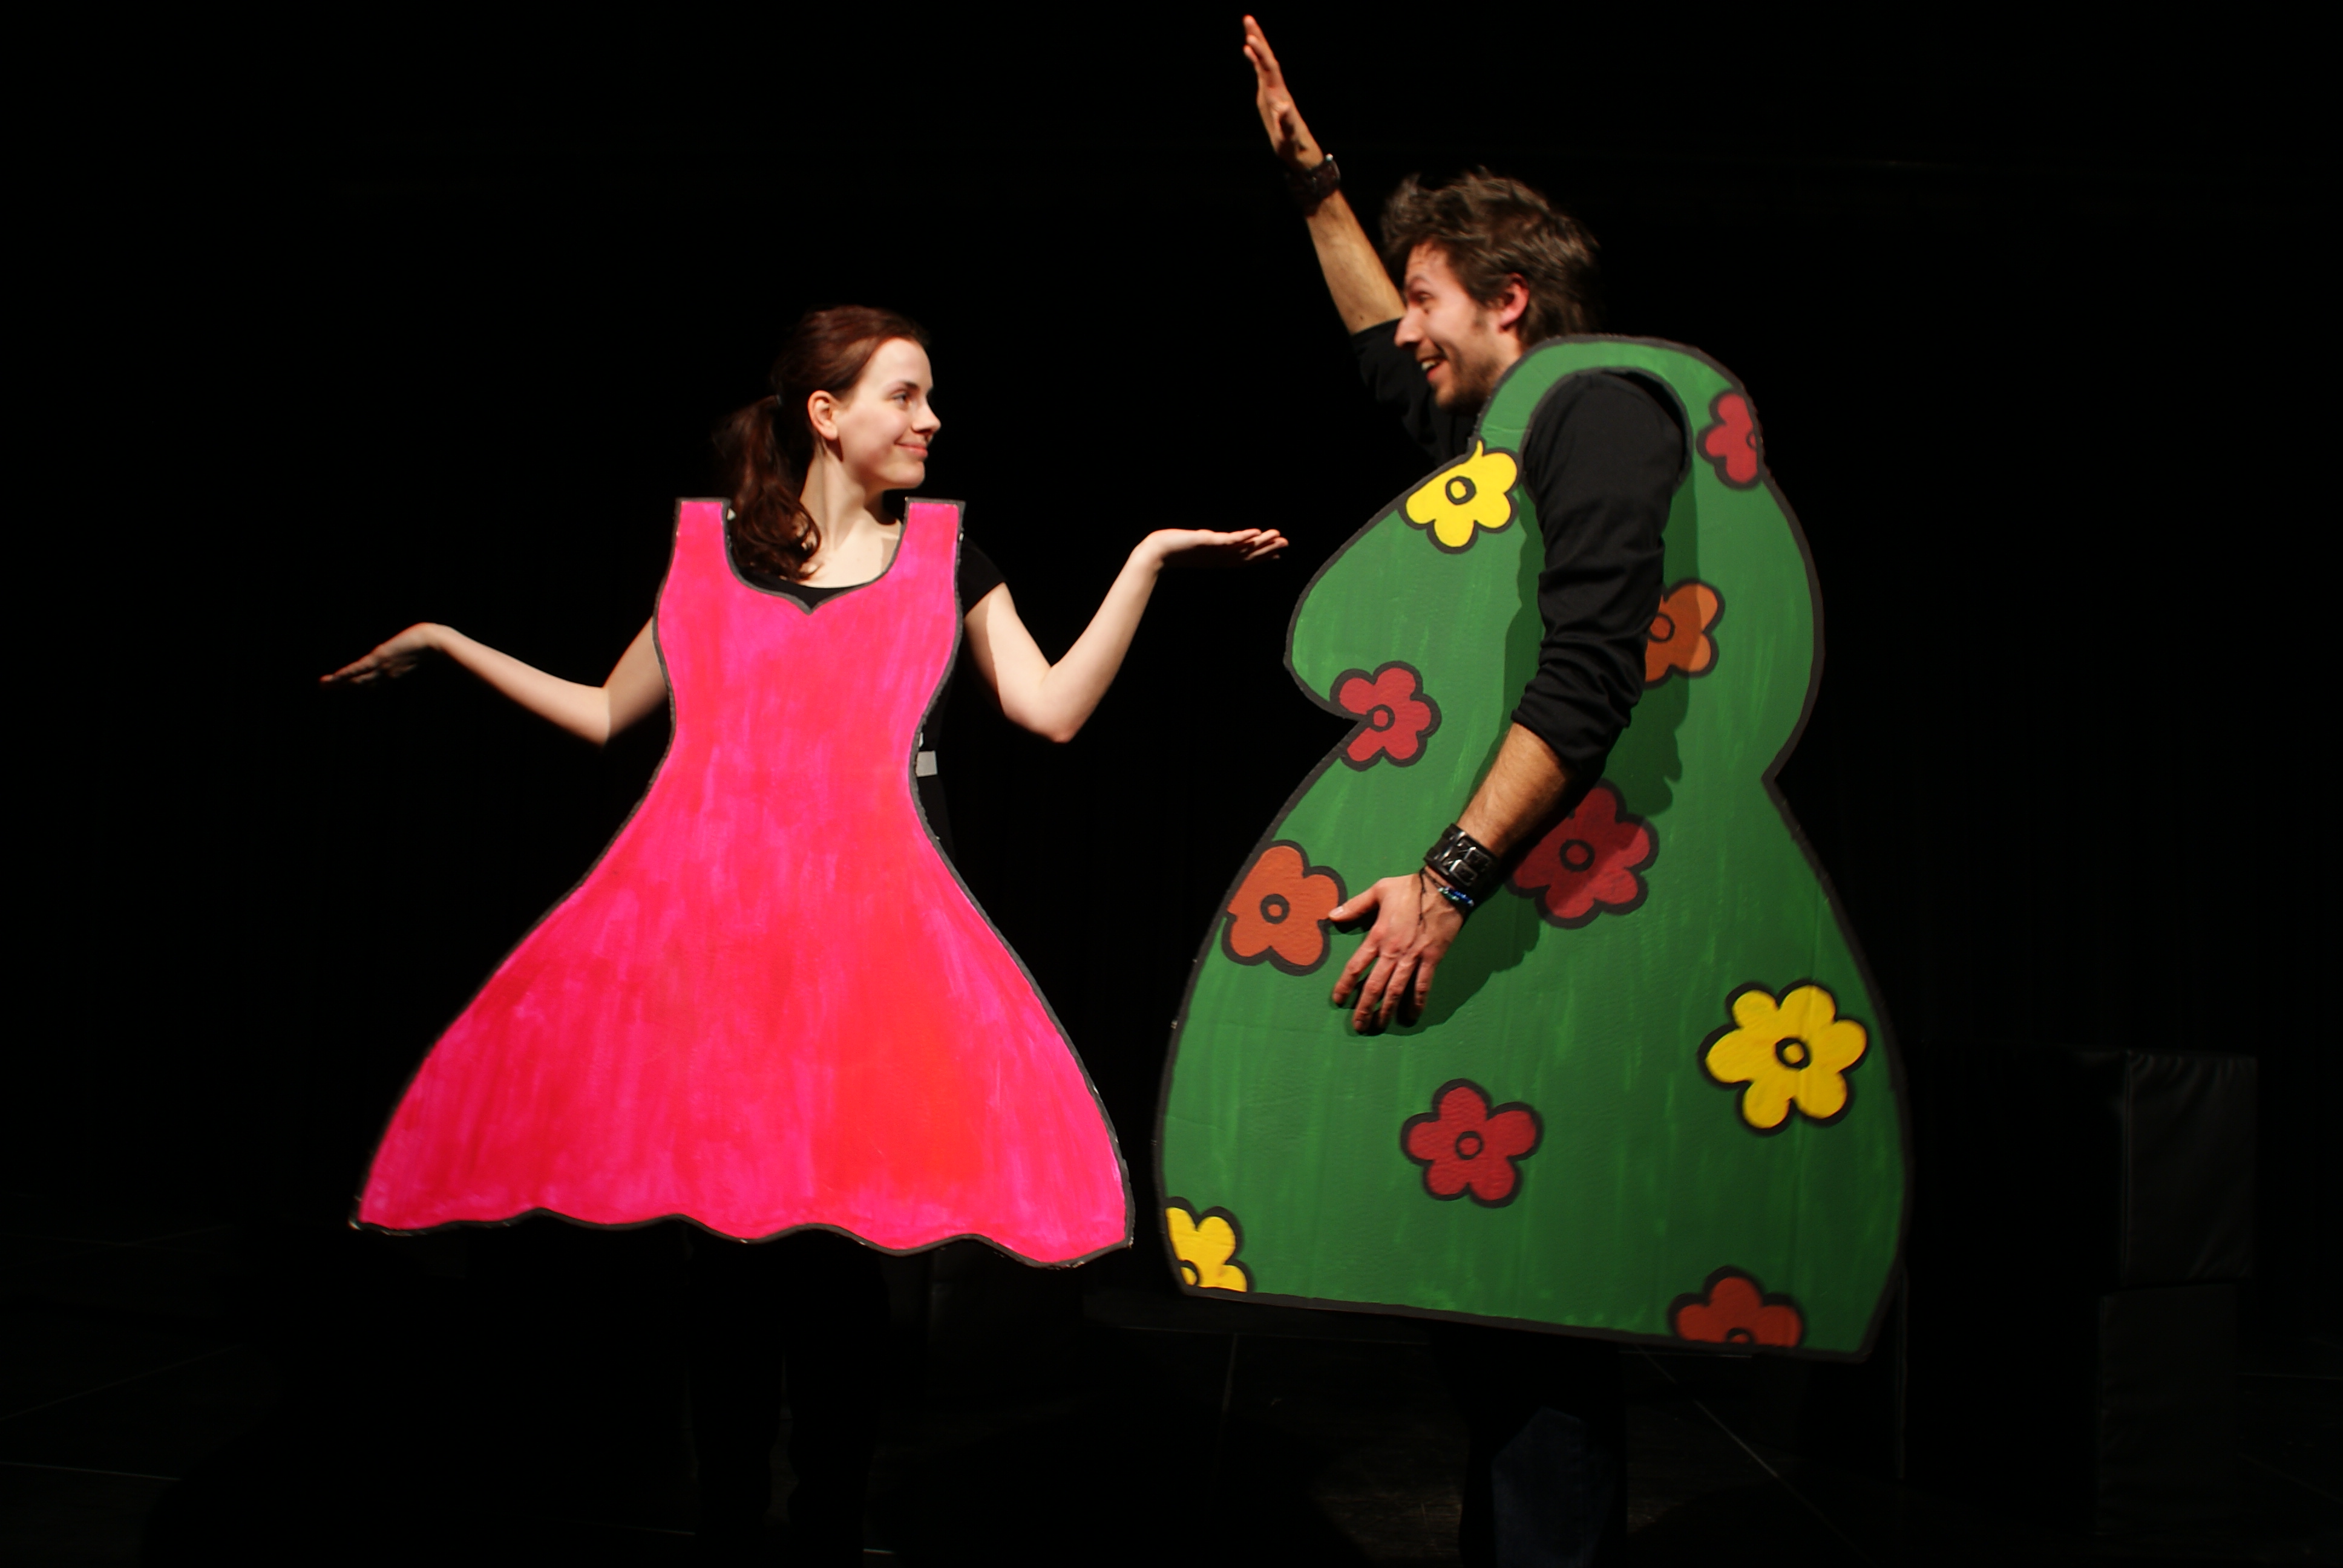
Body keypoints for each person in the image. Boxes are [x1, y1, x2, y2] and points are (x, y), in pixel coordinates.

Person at [324, 304, 1285, 1564]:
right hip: (720, 967)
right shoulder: (711, 559)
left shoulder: (951, 558)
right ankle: (730, 1515)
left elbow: (1048, 710)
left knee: (839, 1263)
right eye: (905, 395)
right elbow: (609, 714)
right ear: (827, 414)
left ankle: (825, 1517)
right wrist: (450, 644)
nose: (931, 420)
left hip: (868, 974)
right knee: (726, 1262)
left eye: (930, 397)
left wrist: (1147, 562)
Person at [1239, 18, 1683, 1566]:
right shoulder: (1511, 422)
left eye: (1434, 297)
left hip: (1572, 906)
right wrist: (1315, 188)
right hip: (1524, 897)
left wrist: (1444, 882)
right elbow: (1383, 345)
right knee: (1490, 1322)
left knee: (1535, 1326)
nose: (1409, 330)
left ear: (1508, 301)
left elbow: (1589, 681)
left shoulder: (1596, 405)